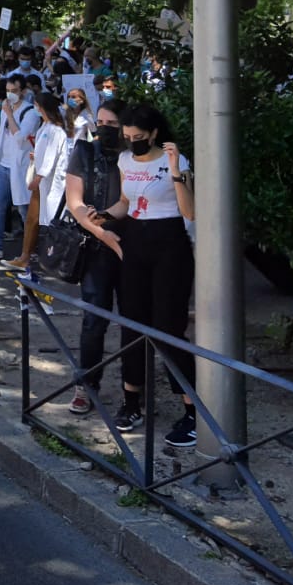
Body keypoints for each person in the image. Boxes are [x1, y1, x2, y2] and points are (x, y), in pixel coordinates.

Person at [81, 103, 197, 447]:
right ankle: (132, 401)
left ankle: (193, 410)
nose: (133, 143)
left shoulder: (177, 160)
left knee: (167, 329)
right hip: (135, 244)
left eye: (139, 138)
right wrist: (102, 215)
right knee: (131, 325)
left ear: (155, 134)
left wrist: (176, 170)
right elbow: (125, 203)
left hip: (170, 246)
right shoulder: (125, 160)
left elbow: (190, 209)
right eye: (128, 137)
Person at [63, 100, 125, 415]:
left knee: (136, 322)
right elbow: (74, 201)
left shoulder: (133, 155)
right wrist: (101, 232)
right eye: (100, 122)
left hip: (132, 248)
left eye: (112, 124)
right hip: (97, 248)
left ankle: (134, 394)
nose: (104, 128)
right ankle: (86, 385)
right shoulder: (85, 151)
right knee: (93, 321)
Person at [6, 92, 73, 271]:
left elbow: (52, 157)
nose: (35, 108)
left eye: (36, 105)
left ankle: (59, 260)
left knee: (52, 221)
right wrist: (36, 156)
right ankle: (25, 257)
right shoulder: (45, 127)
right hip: (41, 181)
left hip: (49, 181)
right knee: (32, 219)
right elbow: (44, 152)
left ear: (41, 107)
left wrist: (39, 176)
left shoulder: (56, 130)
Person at [0, 72, 37, 260]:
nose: (10, 94)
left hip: (21, 167)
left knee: (24, 209)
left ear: (24, 91)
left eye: (15, 91)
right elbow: (0, 138)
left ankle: (32, 250)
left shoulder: (31, 112)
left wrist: (10, 114)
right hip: (3, 165)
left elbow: (20, 138)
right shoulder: (4, 109)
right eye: (8, 91)